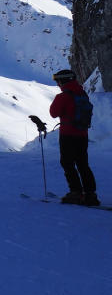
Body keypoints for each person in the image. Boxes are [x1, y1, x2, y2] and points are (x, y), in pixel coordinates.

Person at [49, 69, 100, 206]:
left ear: (62, 81)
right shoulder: (82, 93)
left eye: (58, 81)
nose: (57, 84)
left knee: (67, 163)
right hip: (82, 135)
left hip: (67, 135)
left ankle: (76, 193)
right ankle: (91, 195)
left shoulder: (63, 96)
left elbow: (53, 113)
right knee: (83, 164)